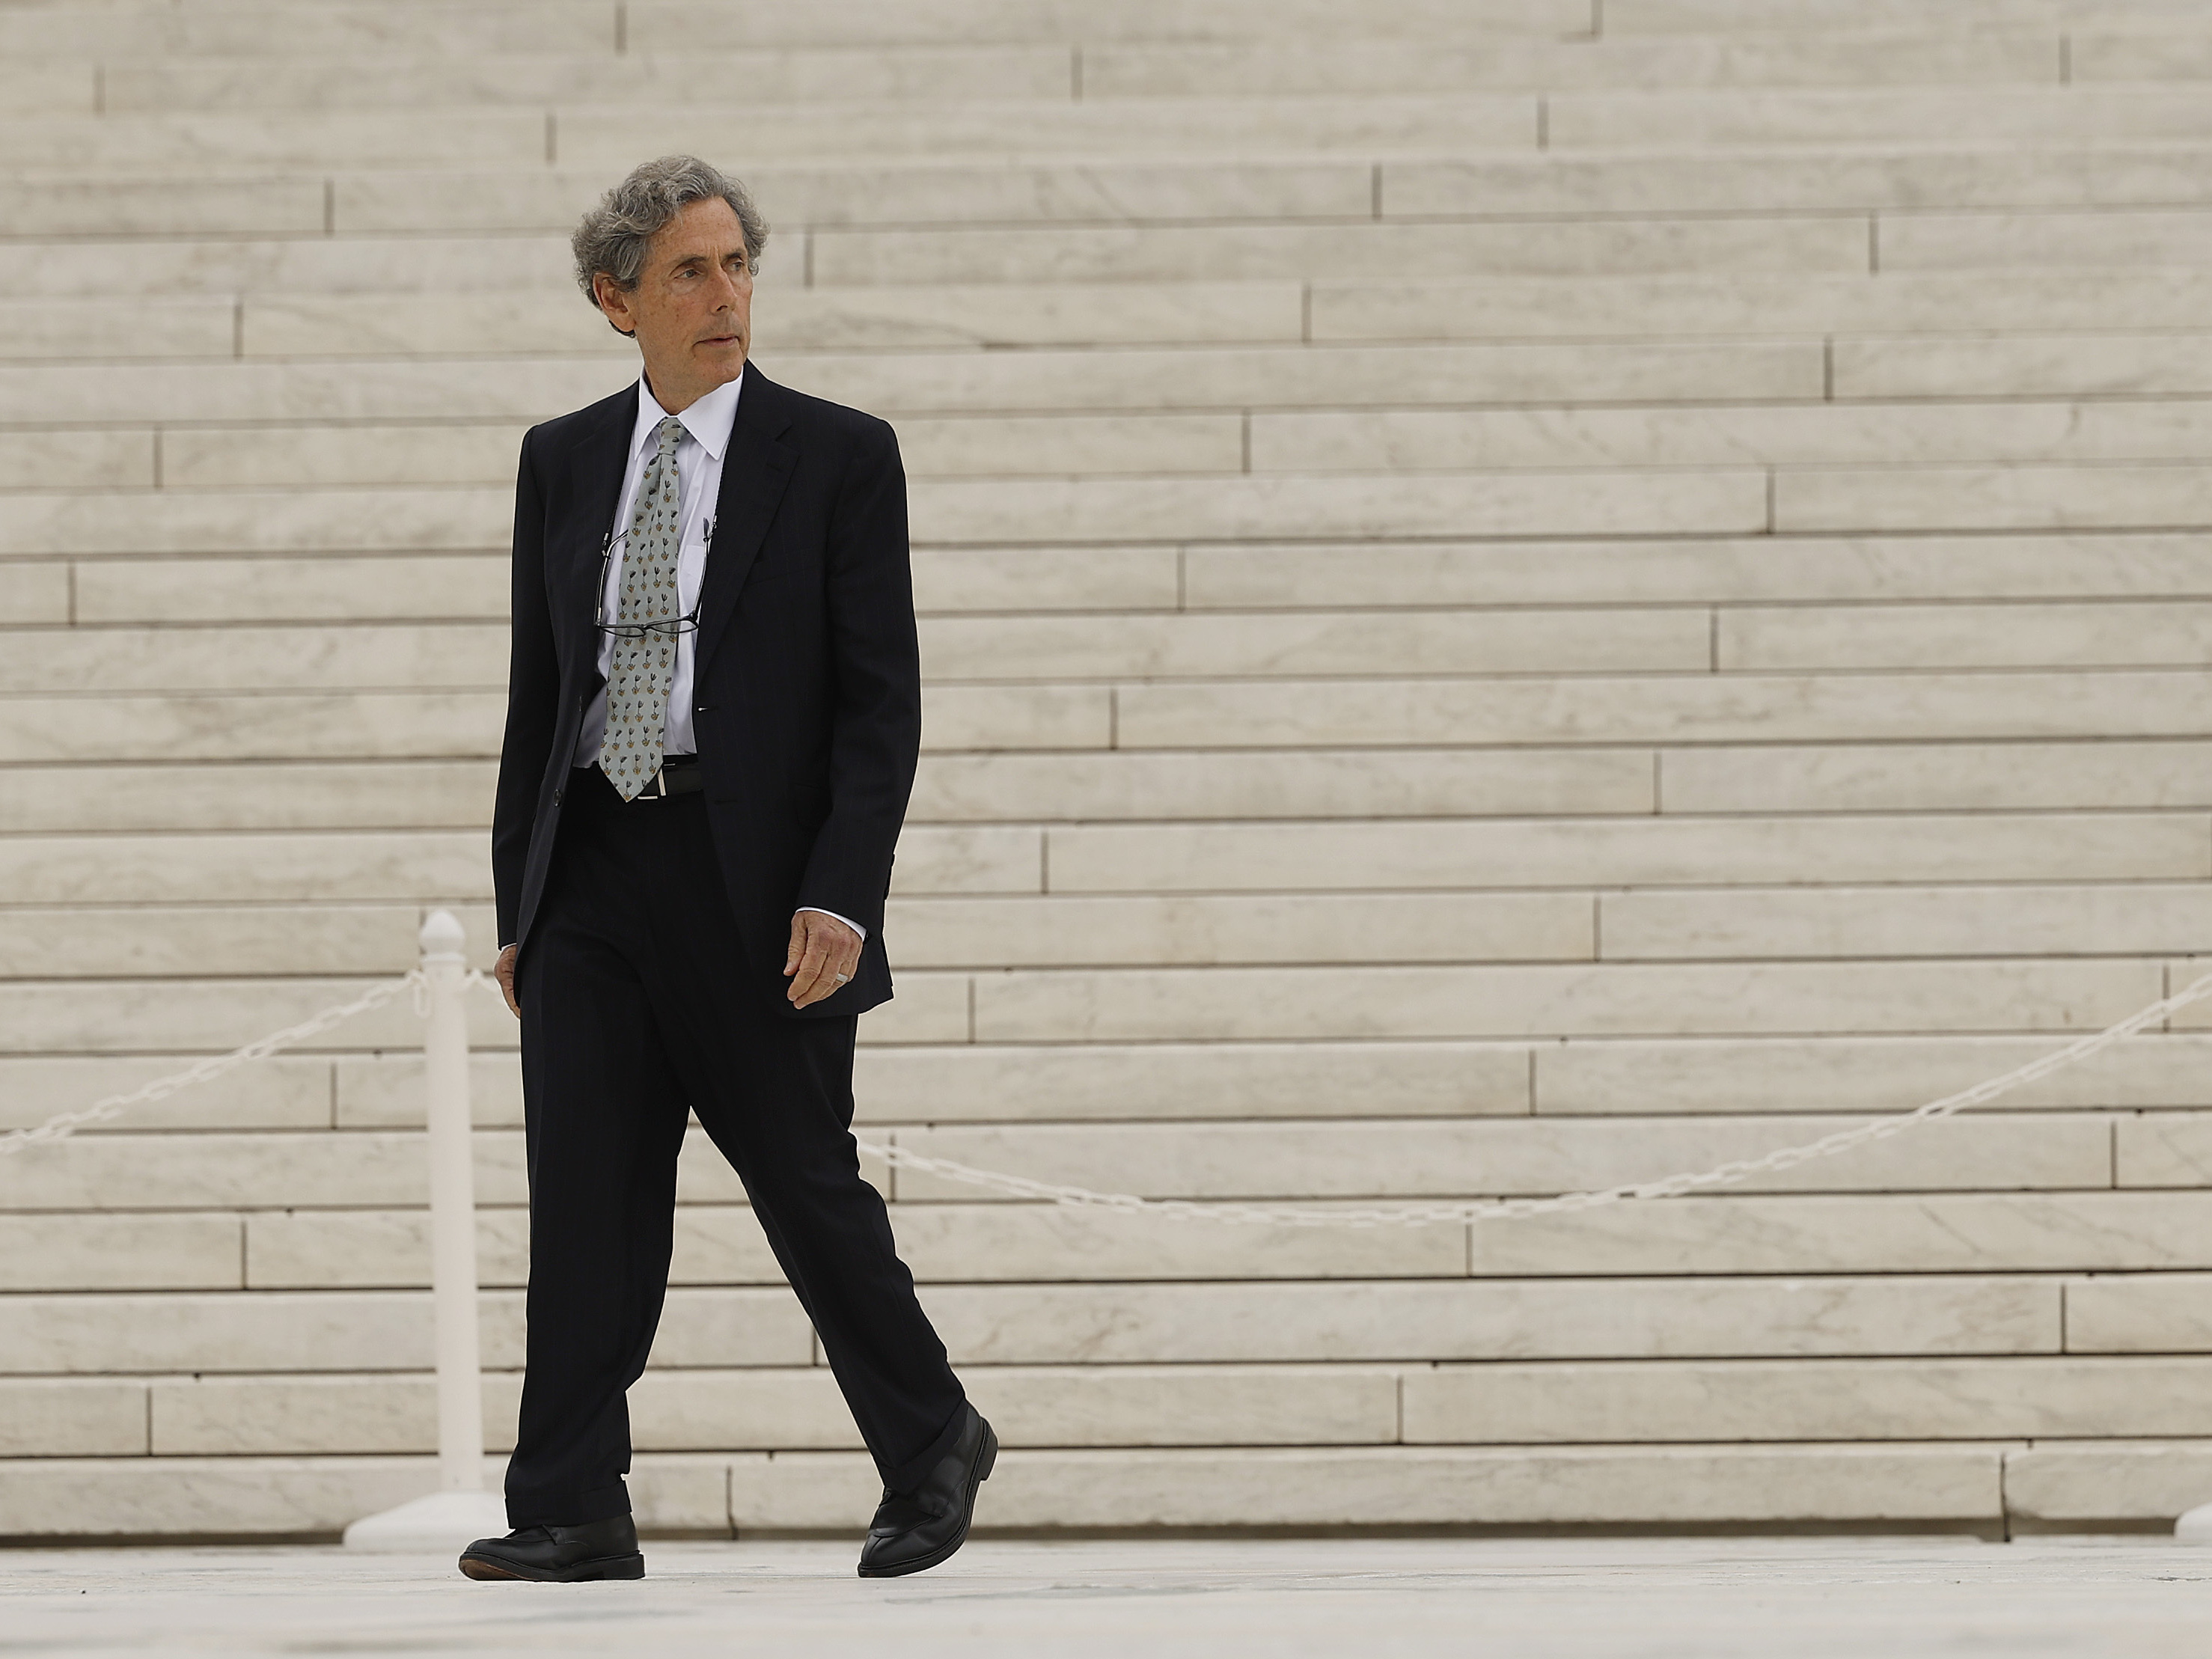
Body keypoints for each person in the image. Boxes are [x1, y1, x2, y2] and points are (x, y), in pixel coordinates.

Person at [459, 154, 994, 1584]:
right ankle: (571, 1499)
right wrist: (524, 904)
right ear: (615, 299)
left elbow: (882, 706)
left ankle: (933, 1436)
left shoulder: (839, 455)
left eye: (738, 266)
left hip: (755, 879)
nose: (725, 296)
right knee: (586, 1196)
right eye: (690, 272)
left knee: (804, 1182)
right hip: (593, 865)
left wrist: (842, 890)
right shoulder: (562, 458)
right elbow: (539, 697)